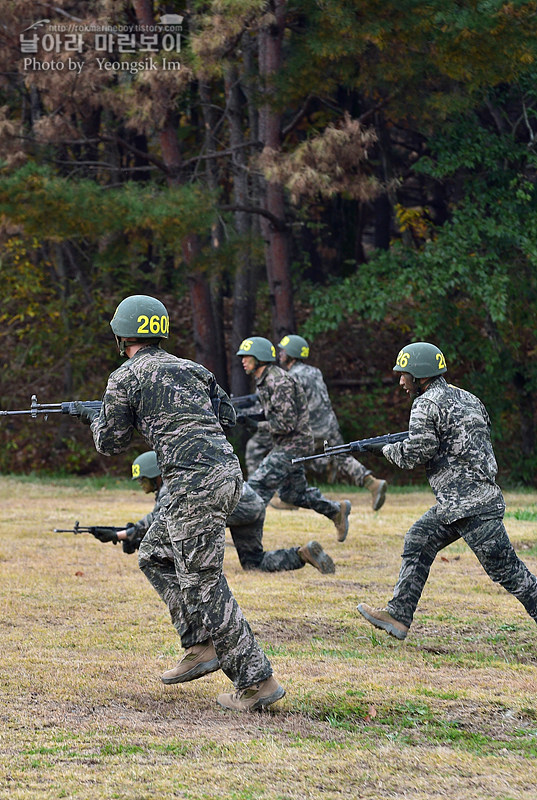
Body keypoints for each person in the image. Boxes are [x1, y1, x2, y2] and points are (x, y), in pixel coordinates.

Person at [76, 294, 284, 712]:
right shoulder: (193, 368)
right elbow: (227, 417)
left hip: (193, 485)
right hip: (225, 474)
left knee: (203, 582)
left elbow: (110, 443)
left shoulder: (125, 377)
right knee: (153, 554)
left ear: (121, 335)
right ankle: (199, 645)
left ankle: (256, 680)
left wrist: (93, 416)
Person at [356, 341, 537, 640]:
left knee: (510, 574)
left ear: (420, 374)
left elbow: (416, 453)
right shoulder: (469, 398)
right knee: (419, 538)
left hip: (469, 506)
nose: (401, 381)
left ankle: (399, 614)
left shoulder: (425, 404)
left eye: (405, 374)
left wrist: (383, 450)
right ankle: (399, 615)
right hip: (465, 502)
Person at [113, 450, 336, 574]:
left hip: (237, 508)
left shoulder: (173, 483)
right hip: (252, 505)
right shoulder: (186, 472)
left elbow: (159, 519)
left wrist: (124, 533)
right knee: (253, 563)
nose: (142, 486)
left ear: (156, 475)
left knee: (192, 526)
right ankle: (301, 554)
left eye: (143, 481)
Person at [236, 336, 352, 542]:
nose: (243, 361)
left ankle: (249, 544)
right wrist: (246, 417)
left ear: (260, 358)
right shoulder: (265, 379)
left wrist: (255, 424)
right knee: (293, 495)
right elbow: (272, 412)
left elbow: (285, 424)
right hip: (288, 444)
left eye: (247, 357)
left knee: (256, 487)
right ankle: (336, 511)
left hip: (293, 445)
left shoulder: (278, 381)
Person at [278, 334, 388, 511]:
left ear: (292, 353)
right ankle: (372, 484)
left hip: (312, 428)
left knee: (287, 455)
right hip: (329, 423)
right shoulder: (314, 371)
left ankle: (290, 498)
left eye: (283, 350)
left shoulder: (292, 376)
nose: (280, 353)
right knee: (341, 456)